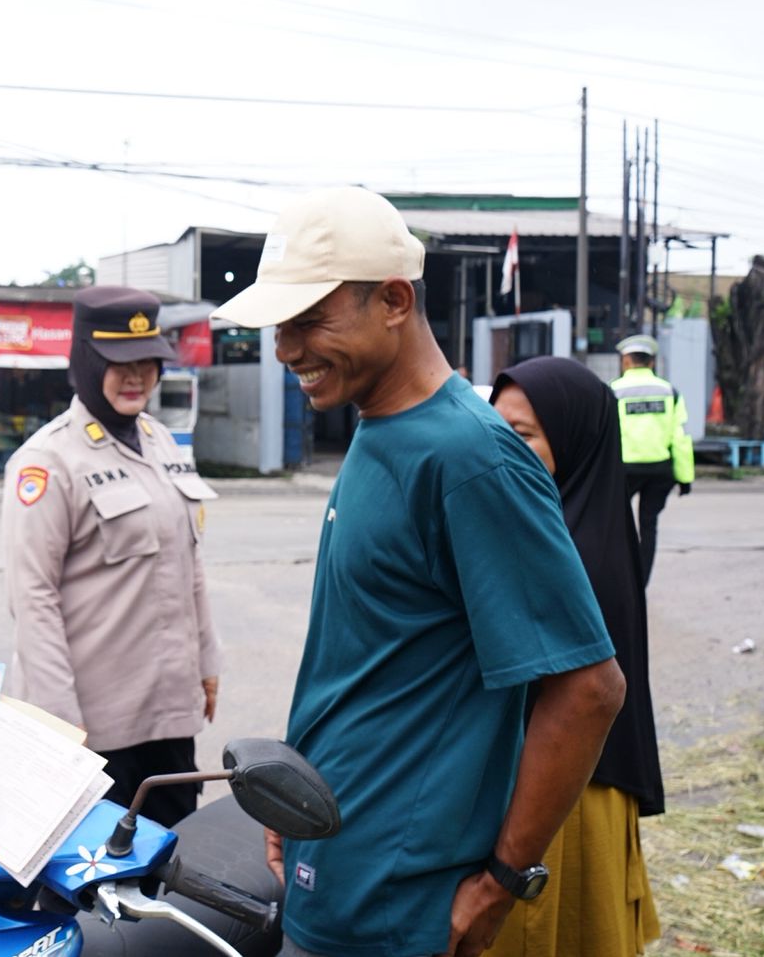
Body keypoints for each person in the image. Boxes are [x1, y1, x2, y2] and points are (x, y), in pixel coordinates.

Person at [212, 186, 625, 957]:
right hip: (332, 860)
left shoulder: (468, 457)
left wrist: (504, 879)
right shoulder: (379, 428)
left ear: (395, 301)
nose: (286, 349)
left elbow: (588, 690)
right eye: (279, 326)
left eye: (310, 320)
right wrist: (296, 788)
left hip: (394, 901)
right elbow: (370, 663)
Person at [3, 286, 220, 827]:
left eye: (148, 362)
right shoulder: (48, 460)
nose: (136, 376)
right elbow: (33, 600)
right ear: (86, 360)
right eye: (119, 363)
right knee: (95, 871)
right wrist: (59, 723)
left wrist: (207, 662)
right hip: (95, 729)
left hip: (169, 717)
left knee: (172, 857)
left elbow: (189, 564)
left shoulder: (162, 442)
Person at [488, 356, 663, 957]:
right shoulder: (578, 526)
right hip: (564, 789)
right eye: (494, 431)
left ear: (573, 444)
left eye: (522, 435)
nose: (500, 450)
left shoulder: (568, 555)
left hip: (559, 800)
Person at [610, 334, 694, 588]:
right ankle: (641, 583)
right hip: (660, 470)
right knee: (649, 526)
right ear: (652, 362)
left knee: (618, 526)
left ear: (626, 361)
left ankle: (620, 581)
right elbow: (679, 437)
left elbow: (606, 436)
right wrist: (685, 477)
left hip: (624, 471)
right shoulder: (669, 392)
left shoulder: (613, 391)